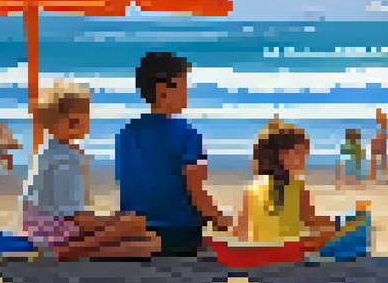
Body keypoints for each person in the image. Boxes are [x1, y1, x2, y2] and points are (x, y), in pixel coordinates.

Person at [22, 79, 160, 260]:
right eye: (74, 122)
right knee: (142, 232)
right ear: (50, 125)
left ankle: (77, 251)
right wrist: (113, 223)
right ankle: (68, 252)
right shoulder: (66, 159)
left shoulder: (48, 150)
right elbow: (75, 216)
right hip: (54, 232)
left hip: (37, 229)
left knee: (144, 235)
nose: (82, 126)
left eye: (84, 119)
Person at [117, 52, 232, 257]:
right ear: (163, 90)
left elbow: (131, 184)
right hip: (176, 231)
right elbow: (195, 191)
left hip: (132, 228)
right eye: (183, 86)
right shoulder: (187, 134)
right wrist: (220, 219)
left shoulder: (126, 133)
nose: (187, 93)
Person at [237, 119, 337, 252]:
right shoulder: (298, 188)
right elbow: (312, 223)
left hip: (262, 252)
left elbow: (240, 232)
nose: (304, 158)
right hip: (290, 251)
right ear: (281, 156)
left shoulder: (250, 190)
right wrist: (335, 225)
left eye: (305, 153)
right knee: (331, 233)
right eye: (299, 153)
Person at [370, 109, 388, 182]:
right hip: (380, 142)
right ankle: (377, 175)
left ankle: (378, 175)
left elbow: (387, 135)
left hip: (381, 142)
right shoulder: (382, 125)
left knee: (379, 159)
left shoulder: (383, 124)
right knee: (378, 159)